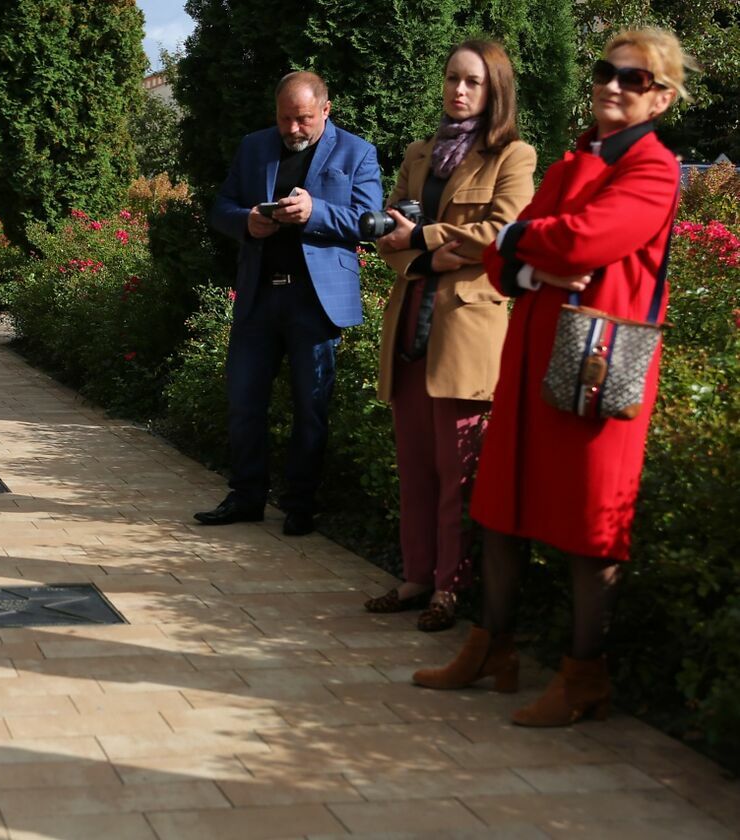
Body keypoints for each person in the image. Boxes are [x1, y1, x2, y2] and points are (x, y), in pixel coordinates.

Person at [412, 28, 691, 726]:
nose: (613, 85)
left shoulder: (654, 169)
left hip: (596, 368)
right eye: (606, 71)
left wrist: (512, 239)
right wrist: (529, 263)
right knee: (501, 506)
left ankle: (584, 676)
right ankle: (492, 648)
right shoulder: (574, 162)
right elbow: (504, 261)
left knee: (590, 524)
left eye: (634, 78)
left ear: (661, 98)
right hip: (530, 359)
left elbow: (583, 240)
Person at [366, 41, 536, 632]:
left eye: (472, 82)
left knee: (456, 471)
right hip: (410, 321)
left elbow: (502, 233)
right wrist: (424, 258)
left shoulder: (512, 156)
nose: (458, 91)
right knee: (414, 466)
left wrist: (424, 238)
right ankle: (417, 577)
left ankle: (449, 589)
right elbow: (387, 235)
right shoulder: (420, 153)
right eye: (451, 79)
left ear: (494, 91)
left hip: (466, 329)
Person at [196, 71, 382, 536]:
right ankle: (246, 496)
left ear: (326, 110)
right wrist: (247, 221)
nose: (293, 129)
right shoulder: (254, 146)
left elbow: (369, 221)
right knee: (244, 401)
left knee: (310, 406)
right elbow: (221, 208)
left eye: (303, 119)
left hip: (314, 302)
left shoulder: (356, 152)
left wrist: (315, 211)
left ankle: (301, 505)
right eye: (284, 119)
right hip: (260, 296)